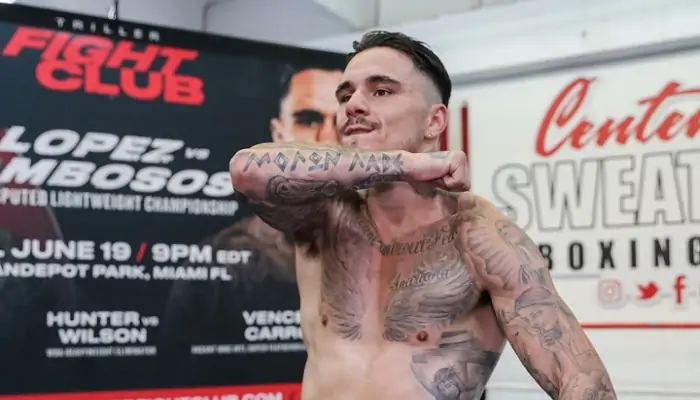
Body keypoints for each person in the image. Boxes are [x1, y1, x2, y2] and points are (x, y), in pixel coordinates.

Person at [229, 31, 617, 400]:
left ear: (434, 122)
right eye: (346, 94)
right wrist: (408, 164)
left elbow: (580, 379)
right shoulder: (323, 216)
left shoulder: (477, 234)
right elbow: (247, 169)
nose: (353, 105)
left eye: (381, 91)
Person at [156, 66, 343, 386]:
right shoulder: (223, 261)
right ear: (278, 132)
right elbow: (173, 381)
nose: (326, 139)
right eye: (308, 120)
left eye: (341, 123)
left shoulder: (397, 247)